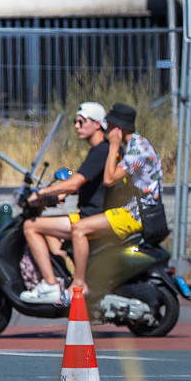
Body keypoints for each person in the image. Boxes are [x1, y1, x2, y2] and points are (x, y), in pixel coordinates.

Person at [20, 102, 110, 304]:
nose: (77, 126)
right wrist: (56, 196)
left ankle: (50, 285)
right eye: (75, 122)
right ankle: (63, 274)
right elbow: (84, 183)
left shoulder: (101, 150)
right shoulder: (100, 150)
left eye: (81, 121)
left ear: (97, 125)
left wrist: (40, 192)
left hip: (91, 218)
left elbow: (74, 183)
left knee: (30, 227)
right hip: (92, 215)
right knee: (49, 232)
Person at [69, 103, 162, 294]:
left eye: (109, 126)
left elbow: (109, 179)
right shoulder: (138, 144)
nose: (106, 130)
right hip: (132, 210)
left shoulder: (137, 150)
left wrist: (112, 146)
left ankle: (78, 284)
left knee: (79, 228)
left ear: (118, 128)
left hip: (135, 215)